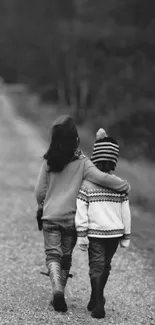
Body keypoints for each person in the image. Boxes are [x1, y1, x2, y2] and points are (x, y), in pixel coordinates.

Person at [35, 116, 130, 313]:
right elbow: (102, 178)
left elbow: (39, 192)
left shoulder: (48, 161)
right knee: (65, 257)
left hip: (50, 217)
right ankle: (60, 291)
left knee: (53, 254)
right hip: (71, 219)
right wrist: (124, 186)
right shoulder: (83, 162)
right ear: (75, 139)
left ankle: (57, 290)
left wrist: (42, 205)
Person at [75, 129, 131, 319]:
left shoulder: (87, 185)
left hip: (96, 233)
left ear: (95, 158)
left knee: (96, 266)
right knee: (105, 266)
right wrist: (126, 235)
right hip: (114, 234)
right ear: (114, 161)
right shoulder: (119, 186)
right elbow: (126, 213)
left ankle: (98, 303)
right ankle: (95, 298)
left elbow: (81, 211)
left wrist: (81, 235)